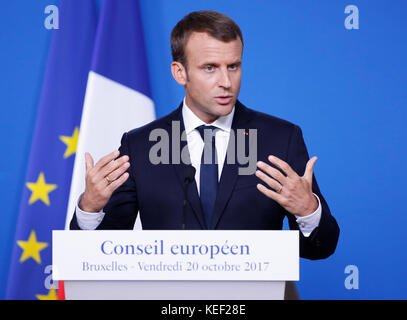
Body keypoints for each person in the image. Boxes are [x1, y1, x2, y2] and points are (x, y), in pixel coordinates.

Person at [70, 10, 339, 260]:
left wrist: (308, 211)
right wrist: (90, 209)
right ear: (180, 73)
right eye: (210, 68)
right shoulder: (140, 145)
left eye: (233, 66)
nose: (226, 82)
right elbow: (101, 254)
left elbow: (321, 248)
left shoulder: (280, 138)